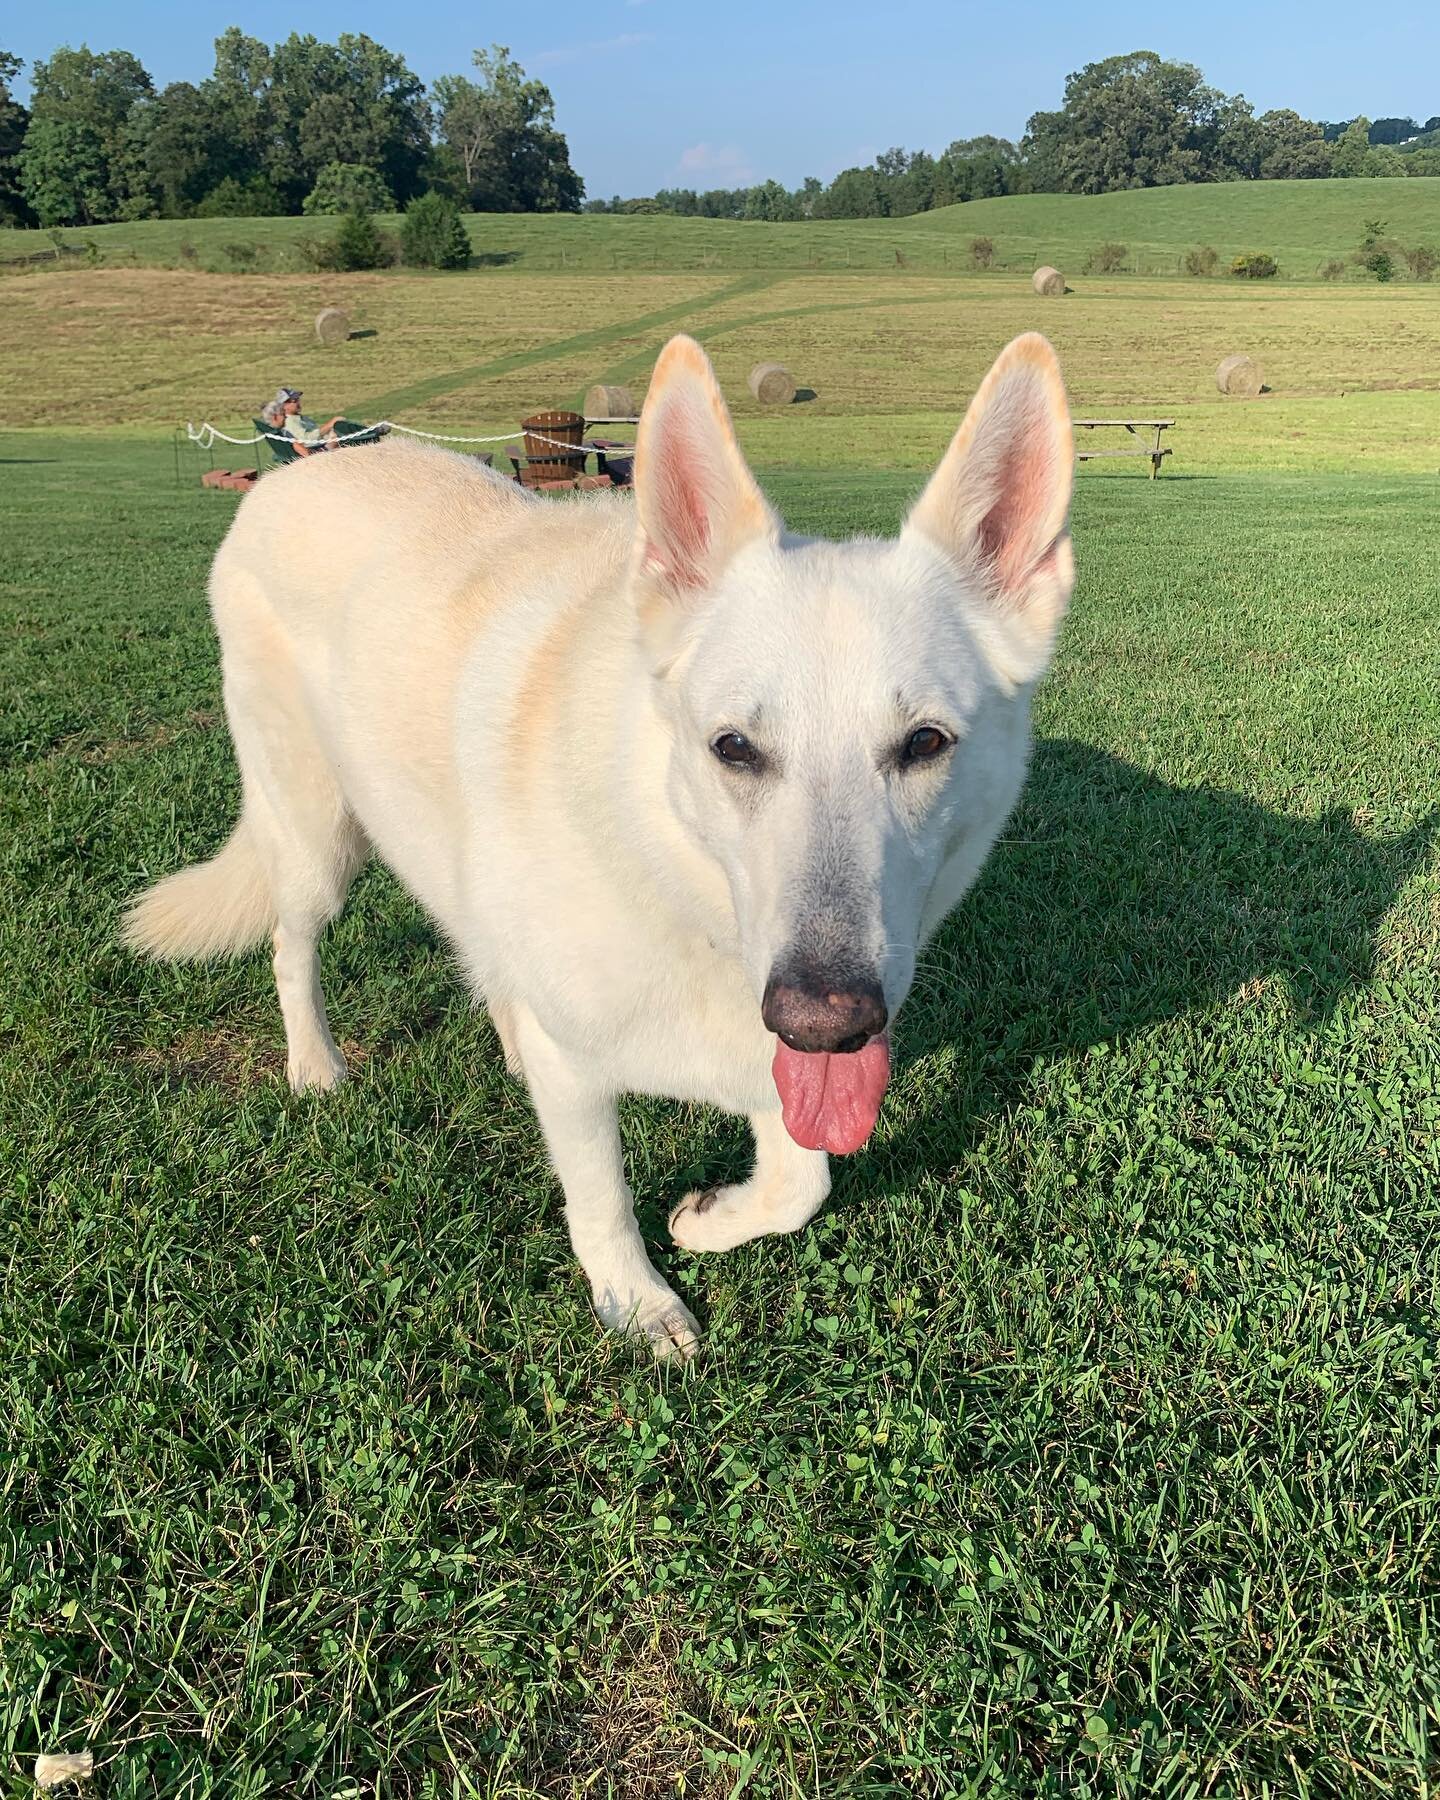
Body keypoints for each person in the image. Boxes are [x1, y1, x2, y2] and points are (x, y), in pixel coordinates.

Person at [259, 388, 387, 456]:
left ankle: (372, 432)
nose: (298, 402)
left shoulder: (298, 419)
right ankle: (372, 433)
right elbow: (305, 440)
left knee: (338, 426)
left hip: (321, 446)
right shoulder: (290, 423)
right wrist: (330, 425)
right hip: (319, 449)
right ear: (285, 405)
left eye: (297, 399)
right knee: (338, 426)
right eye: (294, 400)